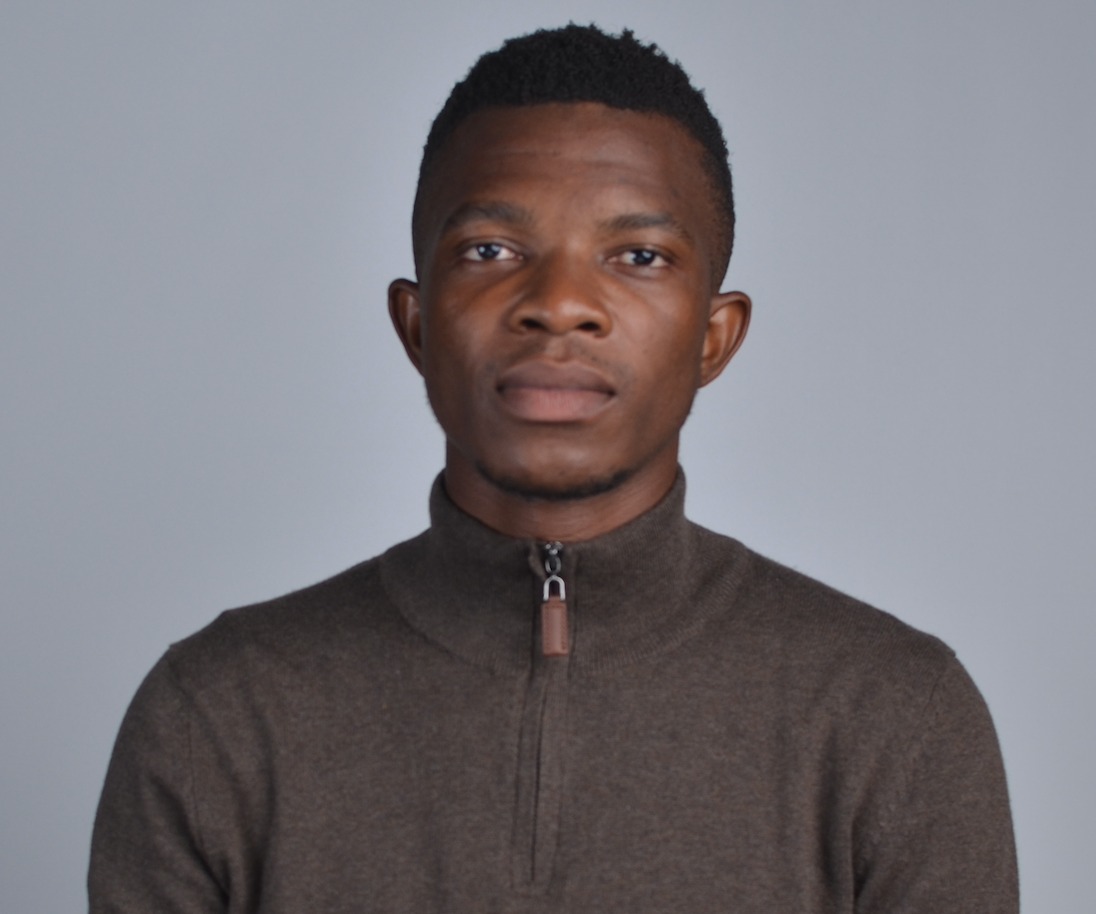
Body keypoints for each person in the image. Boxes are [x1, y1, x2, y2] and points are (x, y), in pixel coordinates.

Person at [89, 24, 1018, 913]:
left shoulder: (894, 717)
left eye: (639, 255)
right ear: (416, 324)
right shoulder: (217, 714)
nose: (561, 303)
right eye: (491, 250)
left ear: (714, 336)